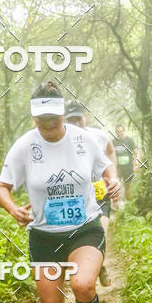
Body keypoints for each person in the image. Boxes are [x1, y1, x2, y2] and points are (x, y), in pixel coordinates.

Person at [0, 81, 121, 303]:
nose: (48, 123)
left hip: (84, 229)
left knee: (83, 284)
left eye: (54, 116)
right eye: (42, 118)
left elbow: (105, 166)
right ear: (33, 116)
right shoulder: (25, 146)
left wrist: (112, 180)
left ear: (63, 113)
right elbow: (1, 187)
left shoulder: (83, 139)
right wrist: (13, 209)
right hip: (45, 237)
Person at [65, 99, 116, 287]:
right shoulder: (60, 140)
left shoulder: (98, 136)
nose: (76, 124)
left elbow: (110, 151)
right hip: (76, 197)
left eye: (79, 119)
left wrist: (113, 177)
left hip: (100, 192)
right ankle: (87, 269)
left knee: (102, 229)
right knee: (80, 235)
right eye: (71, 121)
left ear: (85, 117)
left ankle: (100, 266)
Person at [112, 123, 138, 200]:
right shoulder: (113, 142)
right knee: (117, 186)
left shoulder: (129, 140)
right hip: (118, 167)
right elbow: (111, 155)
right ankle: (118, 204)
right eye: (118, 132)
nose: (120, 133)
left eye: (121, 131)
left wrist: (135, 164)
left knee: (127, 186)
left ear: (124, 131)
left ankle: (128, 204)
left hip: (128, 167)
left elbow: (136, 152)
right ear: (116, 132)